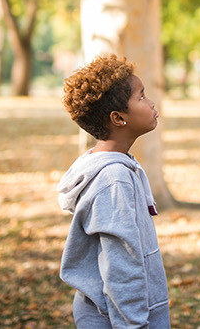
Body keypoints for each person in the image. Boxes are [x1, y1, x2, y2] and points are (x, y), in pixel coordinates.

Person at [57, 55, 170, 329]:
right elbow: (121, 265)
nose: (151, 102)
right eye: (141, 97)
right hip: (119, 320)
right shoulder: (114, 179)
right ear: (118, 118)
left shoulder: (117, 166)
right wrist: (134, 325)